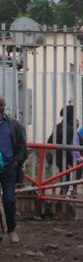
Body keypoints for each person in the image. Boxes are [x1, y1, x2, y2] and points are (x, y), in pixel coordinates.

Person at [0, 98, 28, 245]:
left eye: (2, 105)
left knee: (9, 200)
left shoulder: (13, 124)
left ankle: (11, 230)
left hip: (9, 168)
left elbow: (23, 146)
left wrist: (16, 162)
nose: (1, 108)